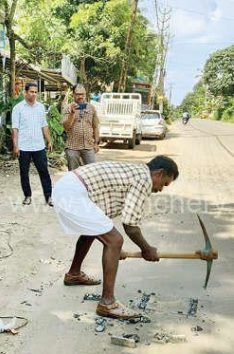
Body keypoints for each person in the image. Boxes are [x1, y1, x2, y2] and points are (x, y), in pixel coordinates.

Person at [52, 155, 179, 319]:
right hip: (72, 192)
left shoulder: (138, 171)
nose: (161, 189)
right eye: (164, 184)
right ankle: (107, 303)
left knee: (95, 229)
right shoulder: (144, 179)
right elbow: (130, 226)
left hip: (67, 186)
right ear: (159, 174)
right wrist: (147, 249)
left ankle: (74, 274)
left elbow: (102, 219)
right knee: (115, 240)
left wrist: (115, 251)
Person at [11, 82, 54, 206]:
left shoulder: (40, 107)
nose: (34, 94)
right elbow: (15, 128)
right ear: (26, 92)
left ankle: (49, 197)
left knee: (44, 171)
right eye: (31, 92)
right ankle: (27, 196)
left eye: (36, 92)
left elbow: (44, 125)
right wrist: (15, 145)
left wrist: (49, 140)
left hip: (39, 145)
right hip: (23, 146)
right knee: (24, 172)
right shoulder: (18, 108)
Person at [62, 84, 100, 170]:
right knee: (74, 174)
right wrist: (72, 113)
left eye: (82, 94)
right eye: (78, 94)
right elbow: (66, 127)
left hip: (89, 146)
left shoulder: (91, 108)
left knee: (92, 171)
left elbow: (95, 126)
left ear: (85, 94)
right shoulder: (67, 108)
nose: (80, 96)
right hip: (72, 147)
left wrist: (96, 143)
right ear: (73, 94)